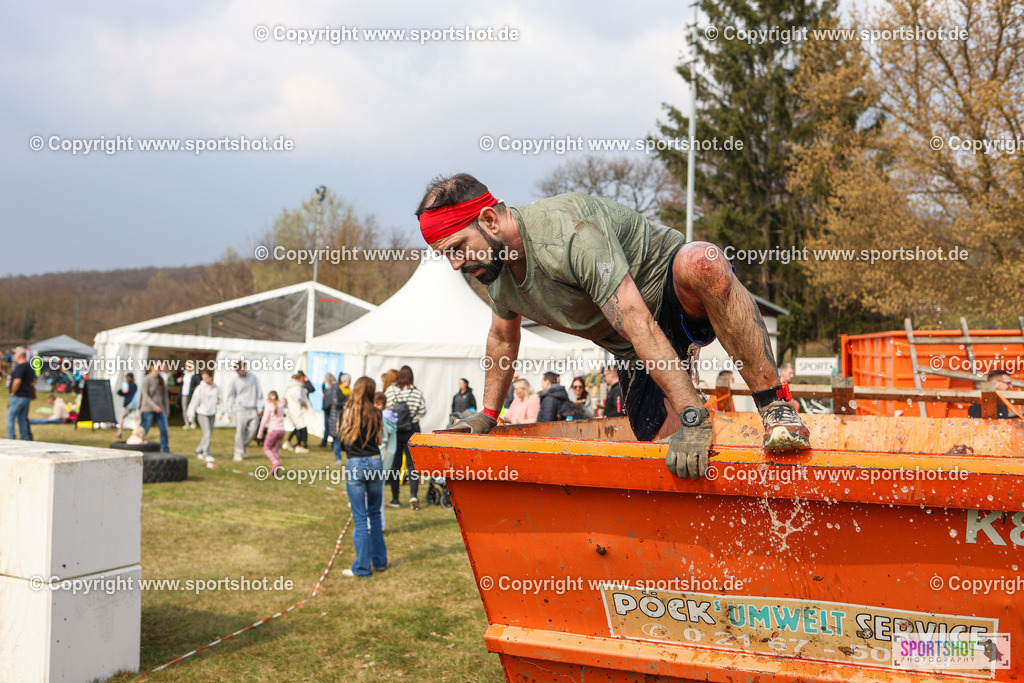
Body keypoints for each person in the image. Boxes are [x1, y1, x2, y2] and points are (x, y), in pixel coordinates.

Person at [417, 174, 810, 479]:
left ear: (488, 219)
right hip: (635, 352)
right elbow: (502, 338)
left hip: (670, 295)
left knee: (702, 260)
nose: (456, 264)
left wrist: (694, 411)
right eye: (445, 255)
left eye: (457, 248)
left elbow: (636, 318)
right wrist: (487, 413)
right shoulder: (496, 273)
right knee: (670, 460)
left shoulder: (569, 231)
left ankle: (775, 405)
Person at [339, 377, 388, 577]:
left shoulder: (348, 413)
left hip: (356, 464)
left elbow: (342, 441)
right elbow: (380, 439)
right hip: (375, 462)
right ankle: (380, 561)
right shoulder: (377, 413)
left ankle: (362, 567)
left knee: (361, 519)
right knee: (375, 514)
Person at [384, 365, 427, 510]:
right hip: (412, 432)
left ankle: (395, 499)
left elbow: (386, 409)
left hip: (395, 432)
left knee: (395, 465)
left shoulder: (390, 391)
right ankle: (413, 496)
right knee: (412, 465)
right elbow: (423, 411)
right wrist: (413, 419)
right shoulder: (416, 392)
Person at [225, 361, 264, 462]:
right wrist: (229, 411)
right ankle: (238, 452)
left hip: (253, 408)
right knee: (240, 431)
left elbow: (259, 393)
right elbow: (230, 396)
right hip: (240, 409)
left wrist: (260, 407)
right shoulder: (234, 380)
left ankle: (242, 447)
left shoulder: (253, 378)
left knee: (253, 431)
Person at [374, 391, 396, 531]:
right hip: (386, 460)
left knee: (376, 496)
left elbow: (382, 442)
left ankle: (379, 525)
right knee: (378, 494)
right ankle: (379, 524)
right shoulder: (390, 417)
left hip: (380, 460)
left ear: (380, 404)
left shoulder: (382, 419)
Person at [187, 370, 220, 462]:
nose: (205, 380)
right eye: (203, 378)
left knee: (208, 434)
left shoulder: (216, 387)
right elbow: (194, 402)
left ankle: (198, 450)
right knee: (207, 434)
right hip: (202, 413)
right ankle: (206, 453)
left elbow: (219, 400)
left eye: (206, 378)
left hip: (212, 413)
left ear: (211, 377)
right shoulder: (200, 388)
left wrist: (221, 412)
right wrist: (190, 415)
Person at [139, 362, 170, 453]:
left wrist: (166, 409)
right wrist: (154, 407)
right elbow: (145, 395)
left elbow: (164, 396)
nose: (160, 368)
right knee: (144, 431)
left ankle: (165, 451)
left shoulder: (161, 379)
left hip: (160, 410)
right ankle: (140, 448)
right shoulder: (147, 379)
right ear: (152, 367)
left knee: (164, 430)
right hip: (148, 409)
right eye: (158, 366)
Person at [5, 348, 34, 440]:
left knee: (10, 417)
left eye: (15, 354)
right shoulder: (30, 366)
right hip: (27, 396)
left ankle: (10, 437)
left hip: (18, 395)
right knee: (22, 418)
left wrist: (13, 393)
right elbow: (34, 381)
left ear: (20, 355)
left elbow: (17, 381)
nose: (14, 356)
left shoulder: (21, 367)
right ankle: (24, 437)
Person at [256, 391, 286, 476]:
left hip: (273, 430)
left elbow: (264, 420)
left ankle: (275, 462)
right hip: (282, 430)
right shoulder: (281, 405)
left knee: (266, 448)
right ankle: (276, 471)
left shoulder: (269, 406)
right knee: (275, 450)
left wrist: (260, 433)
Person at [283, 372, 311, 453]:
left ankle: (287, 442)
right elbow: (299, 397)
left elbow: (285, 398)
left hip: (290, 410)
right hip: (296, 409)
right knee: (300, 427)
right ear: (299, 379)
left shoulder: (289, 387)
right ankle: (299, 446)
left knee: (297, 427)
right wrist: (303, 403)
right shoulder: (297, 387)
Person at [324, 375, 348, 465]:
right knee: (337, 438)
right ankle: (338, 459)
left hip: (337, 416)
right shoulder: (336, 389)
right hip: (336, 417)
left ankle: (339, 458)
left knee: (338, 439)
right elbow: (335, 402)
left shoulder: (337, 388)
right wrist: (345, 402)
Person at [116, 372, 139, 438]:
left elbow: (125, 391)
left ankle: (119, 432)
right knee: (134, 419)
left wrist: (120, 392)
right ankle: (139, 432)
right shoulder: (135, 385)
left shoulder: (126, 384)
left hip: (127, 404)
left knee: (122, 417)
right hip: (134, 404)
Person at [319, 372, 337, 447]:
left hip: (330, 410)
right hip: (326, 410)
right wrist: (323, 384)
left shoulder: (334, 387)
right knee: (326, 426)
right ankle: (325, 441)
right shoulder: (329, 387)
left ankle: (333, 443)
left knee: (331, 426)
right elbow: (324, 391)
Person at [180, 362, 197, 430]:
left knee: (191, 408)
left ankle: (192, 422)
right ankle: (186, 422)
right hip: (184, 393)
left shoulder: (195, 375)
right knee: (184, 408)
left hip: (191, 394)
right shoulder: (184, 374)